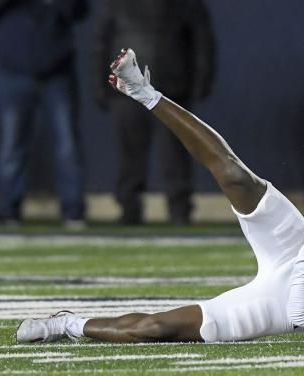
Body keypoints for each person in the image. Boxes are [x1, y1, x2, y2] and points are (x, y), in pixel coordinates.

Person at [15, 49, 304, 344]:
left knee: (159, 328)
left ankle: (67, 324)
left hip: (283, 294)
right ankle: (145, 92)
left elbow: (302, 311)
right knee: (235, 175)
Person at [90, 0, 216, 225]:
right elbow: (102, 40)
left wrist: (201, 80)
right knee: (130, 154)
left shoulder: (186, 4)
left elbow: (202, 39)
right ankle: (129, 209)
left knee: (175, 155)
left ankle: (180, 209)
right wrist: (100, 85)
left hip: (172, 89)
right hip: (128, 90)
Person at [0, 0, 88, 229]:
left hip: (57, 71)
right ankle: (8, 210)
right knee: (12, 145)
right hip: (13, 70)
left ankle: (73, 211)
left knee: (67, 144)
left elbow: (80, 11)